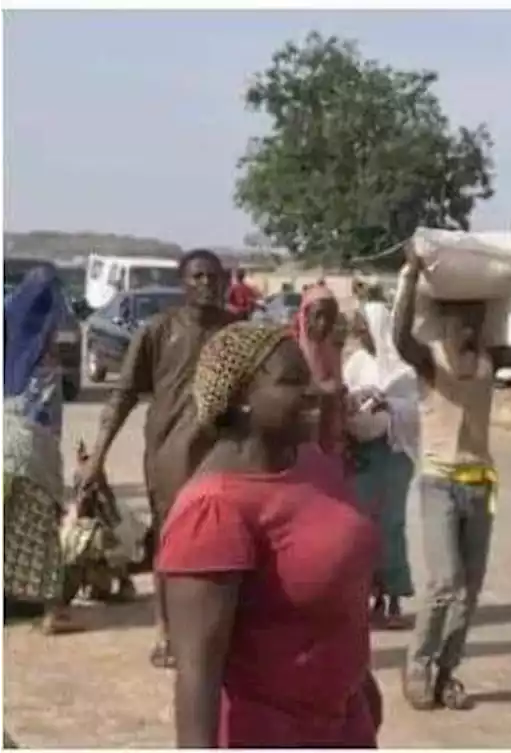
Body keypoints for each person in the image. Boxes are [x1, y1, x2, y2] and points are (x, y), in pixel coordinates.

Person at [157, 322, 381, 748]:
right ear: (240, 399)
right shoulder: (214, 510)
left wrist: (361, 685)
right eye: (292, 381)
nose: (314, 389)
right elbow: (197, 676)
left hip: (344, 724)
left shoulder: (310, 464)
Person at [392, 245, 511, 712]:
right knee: (444, 583)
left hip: (480, 483)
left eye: (476, 318)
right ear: (443, 318)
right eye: (461, 318)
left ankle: (445, 673)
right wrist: (410, 275)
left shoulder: (489, 359)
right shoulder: (428, 358)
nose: (469, 327)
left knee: (470, 589)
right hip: (439, 481)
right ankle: (417, 666)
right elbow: (400, 337)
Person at [81, 248, 235, 668]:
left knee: (228, 544)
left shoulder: (238, 333)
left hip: (225, 456)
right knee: (171, 544)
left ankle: (222, 630)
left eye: (214, 277)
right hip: (171, 456)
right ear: (183, 284)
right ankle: (167, 632)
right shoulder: (158, 330)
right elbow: (124, 395)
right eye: (198, 277)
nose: (207, 285)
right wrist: (97, 457)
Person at [3, 264, 79, 634]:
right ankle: (53, 611)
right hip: (33, 448)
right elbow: (48, 418)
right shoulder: (47, 359)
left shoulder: (9, 328)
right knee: (43, 528)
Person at [345, 298, 419, 630]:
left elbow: (415, 411)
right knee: (360, 525)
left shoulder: (403, 367)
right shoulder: (357, 363)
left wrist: (387, 405)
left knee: (390, 524)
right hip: (362, 454)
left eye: (363, 325)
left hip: (393, 452)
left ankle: (391, 597)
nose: (359, 331)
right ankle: (364, 594)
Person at [292, 285, 346, 457]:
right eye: (318, 316)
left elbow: (337, 388)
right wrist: (322, 390)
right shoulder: (289, 348)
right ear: (305, 316)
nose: (323, 323)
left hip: (328, 436)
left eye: (329, 318)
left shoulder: (332, 349)